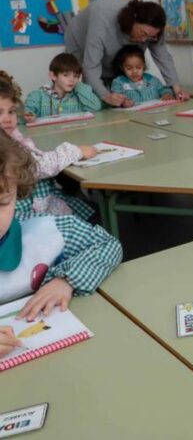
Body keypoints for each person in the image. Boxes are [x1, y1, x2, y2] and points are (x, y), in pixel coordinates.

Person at [0, 133, 122, 356]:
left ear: (18, 191)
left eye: (1, 202)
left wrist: (66, 279)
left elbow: (107, 245)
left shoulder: (48, 231)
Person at [1, 72, 95, 220]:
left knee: (87, 209)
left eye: (11, 111)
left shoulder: (12, 134)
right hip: (26, 211)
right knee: (89, 220)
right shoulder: (3, 148)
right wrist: (75, 151)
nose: (7, 119)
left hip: (41, 198)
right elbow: (36, 168)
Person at [64, 0, 190, 107]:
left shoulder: (153, 29)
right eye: (143, 33)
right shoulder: (102, 18)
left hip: (114, 50)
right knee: (98, 97)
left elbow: (163, 57)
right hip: (79, 39)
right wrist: (107, 96)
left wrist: (177, 88)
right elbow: (90, 67)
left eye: (150, 37)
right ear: (132, 21)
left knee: (124, 74)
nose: (144, 40)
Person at [23, 53, 101, 121]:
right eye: (66, 75)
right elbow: (28, 111)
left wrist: (79, 84)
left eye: (75, 76)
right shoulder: (37, 95)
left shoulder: (80, 95)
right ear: (53, 75)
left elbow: (95, 107)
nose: (72, 80)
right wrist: (29, 115)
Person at [110, 45, 175, 107]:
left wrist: (167, 94)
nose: (134, 71)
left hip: (153, 114)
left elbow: (163, 89)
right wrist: (123, 102)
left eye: (138, 67)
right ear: (122, 67)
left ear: (143, 66)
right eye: (129, 68)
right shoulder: (118, 82)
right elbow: (115, 99)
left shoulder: (151, 79)